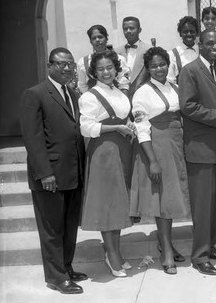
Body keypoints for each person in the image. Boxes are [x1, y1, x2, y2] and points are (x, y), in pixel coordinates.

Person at [19, 47, 87, 294]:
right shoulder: (35, 94)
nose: (67, 68)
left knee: (69, 226)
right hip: (50, 176)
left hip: (72, 172)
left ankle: (66, 267)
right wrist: (45, 173)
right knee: (51, 229)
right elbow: (33, 138)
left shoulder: (72, 93)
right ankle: (56, 277)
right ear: (49, 66)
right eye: (61, 64)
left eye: (70, 63)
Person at [130, 46, 190, 275]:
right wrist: (152, 160)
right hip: (157, 146)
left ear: (169, 64)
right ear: (147, 69)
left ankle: (168, 244)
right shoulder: (142, 93)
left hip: (176, 143)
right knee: (162, 200)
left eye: (162, 64)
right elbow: (141, 127)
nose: (159, 69)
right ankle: (165, 251)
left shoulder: (175, 86)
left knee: (171, 198)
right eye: (153, 66)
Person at [178, 30, 216, 276]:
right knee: (202, 207)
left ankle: (210, 247)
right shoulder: (190, 71)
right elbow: (188, 107)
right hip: (200, 150)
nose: (214, 46)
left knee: (214, 205)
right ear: (199, 44)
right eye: (209, 43)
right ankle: (199, 256)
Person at [79, 50, 135, 278]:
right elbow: (86, 128)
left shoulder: (119, 92)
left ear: (116, 69)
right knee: (107, 203)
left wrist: (129, 124)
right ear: (94, 72)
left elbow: (123, 116)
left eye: (109, 68)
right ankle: (111, 256)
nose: (105, 72)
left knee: (119, 202)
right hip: (104, 151)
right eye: (100, 69)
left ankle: (117, 253)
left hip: (122, 148)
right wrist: (116, 128)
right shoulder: (90, 96)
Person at [76, 25, 130, 94]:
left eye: (100, 37)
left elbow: (124, 84)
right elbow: (82, 85)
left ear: (106, 39)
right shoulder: (83, 62)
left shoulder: (119, 59)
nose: (97, 40)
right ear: (91, 41)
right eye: (94, 38)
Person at [115, 16, 151, 96]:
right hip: (121, 96)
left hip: (143, 96)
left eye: (131, 28)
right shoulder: (116, 52)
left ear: (139, 30)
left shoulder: (149, 50)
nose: (128, 31)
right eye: (125, 29)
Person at [167, 16, 200, 83]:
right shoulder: (172, 54)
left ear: (196, 33)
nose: (189, 34)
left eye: (192, 31)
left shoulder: (202, 51)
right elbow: (170, 80)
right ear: (180, 34)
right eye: (185, 32)